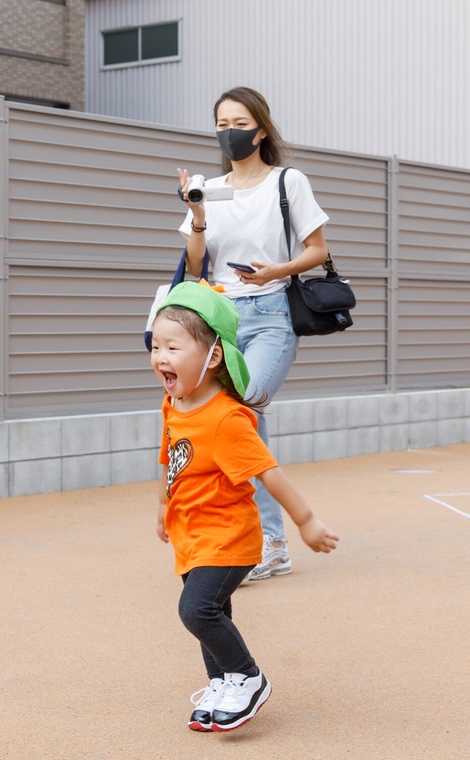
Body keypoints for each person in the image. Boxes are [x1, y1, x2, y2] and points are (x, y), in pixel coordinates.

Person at [150, 281, 339, 733]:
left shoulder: (227, 419)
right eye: (155, 346)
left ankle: (247, 677)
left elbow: (269, 473)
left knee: (197, 611)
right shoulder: (175, 402)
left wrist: (306, 522)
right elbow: (170, 456)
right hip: (193, 535)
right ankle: (221, 684)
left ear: (213, 356)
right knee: (215, 613)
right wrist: (162, 505)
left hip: (228, 536)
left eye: (173, 347)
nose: (160, 357)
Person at [175, 86, 331, 582]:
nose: (230, 133)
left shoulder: (288, 181)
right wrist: (198, 216)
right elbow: (196, 266)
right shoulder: (208, 187)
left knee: (240, 410)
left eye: (240, 124)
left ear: (260, 130)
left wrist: (276, 270)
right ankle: (259, 541)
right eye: (222, 124)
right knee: (239, 423)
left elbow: (319, 250)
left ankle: (271, 541)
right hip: (219, 319)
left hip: (269, 316)